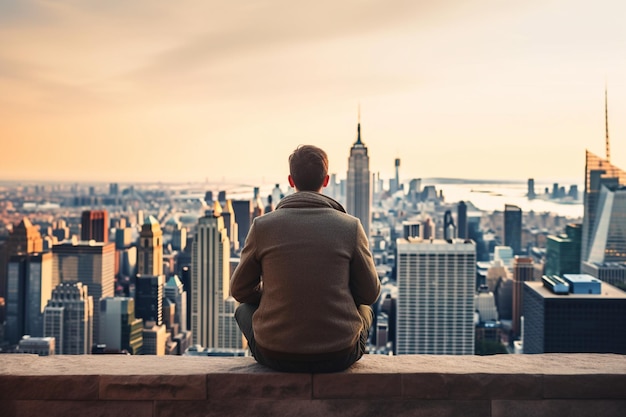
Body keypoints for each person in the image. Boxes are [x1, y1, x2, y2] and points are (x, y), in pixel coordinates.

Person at [230, 145, 380, 373]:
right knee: (365, 309)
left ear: (291, 181)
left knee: (243, 309)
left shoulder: (262, 226)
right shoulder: (351, 227)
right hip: (339, 354)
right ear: (326, 180)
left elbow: (239, 290)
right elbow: (369, 293)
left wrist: (272, 295)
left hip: (274, 354)